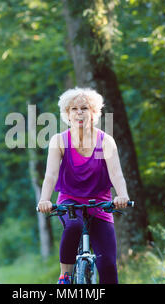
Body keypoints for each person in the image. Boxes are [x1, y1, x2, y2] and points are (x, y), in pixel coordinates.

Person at [37, 87, 130, 284]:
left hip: (100, 204)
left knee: (108, 267)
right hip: (70, 202)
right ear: (67, 114)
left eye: (85, 108)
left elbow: (116, 173)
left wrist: (122, 195)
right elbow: (51, 174)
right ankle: (65, 276)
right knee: (74, 226)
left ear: (94, 113)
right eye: (74, 109)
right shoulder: (59, 141)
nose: (79, 113)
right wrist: (45, 199)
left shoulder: (106, 141)